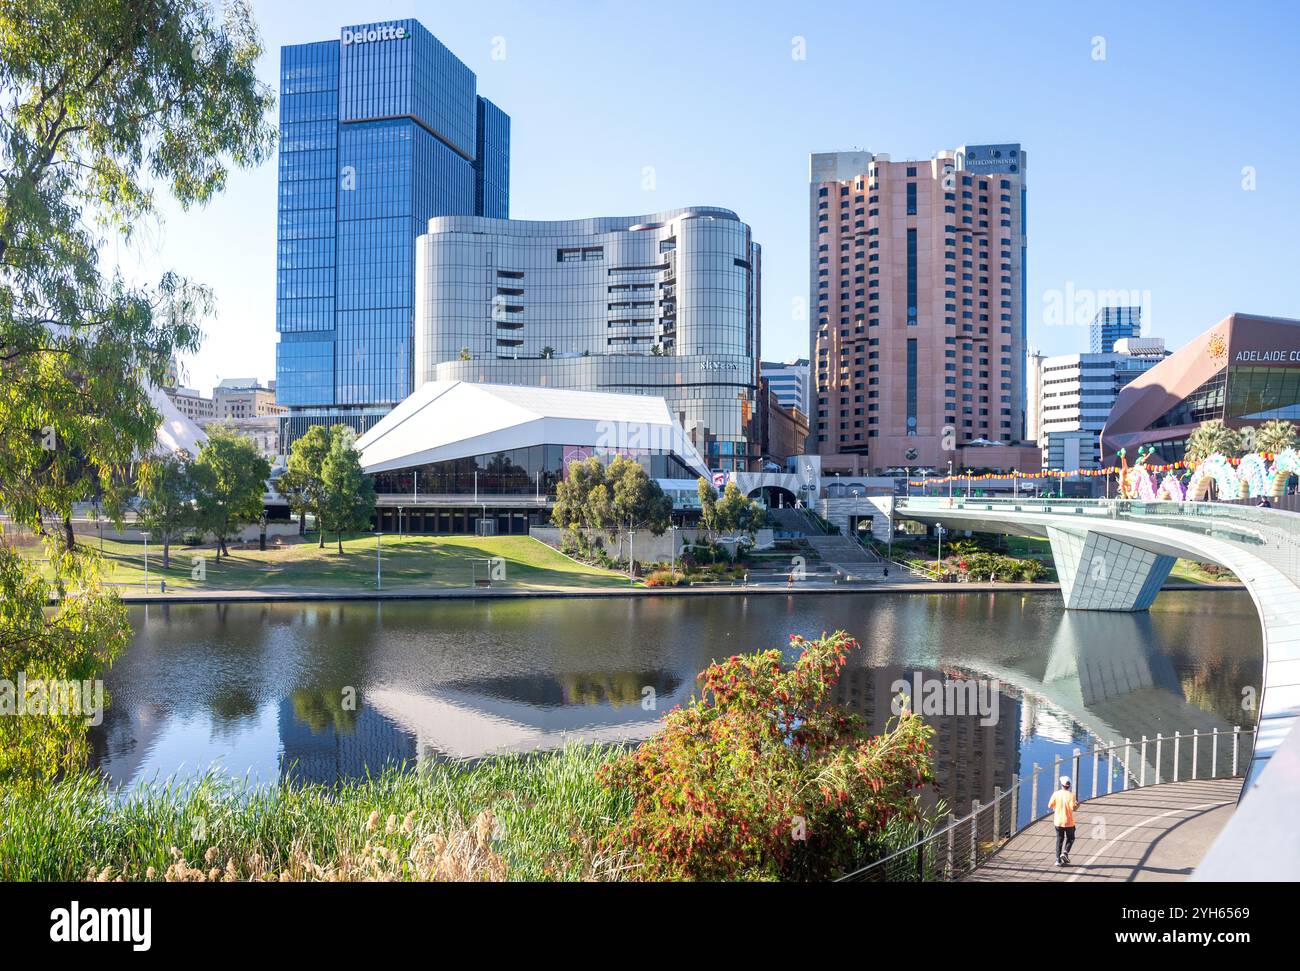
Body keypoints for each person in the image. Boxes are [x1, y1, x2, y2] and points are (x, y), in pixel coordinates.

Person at [1048, 776, 1079, 867]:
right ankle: (1065, 853)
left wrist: (1057, 807)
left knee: (1059, 839)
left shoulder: (1056, 794)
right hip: (1068, 822)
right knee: (1071, 838)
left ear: (1061, 785)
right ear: (1069, 786)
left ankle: (1057, 860)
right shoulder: (1071, 795)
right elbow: (1073, 808)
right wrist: (1078, 805)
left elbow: (1050, 805)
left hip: (1058, 821)